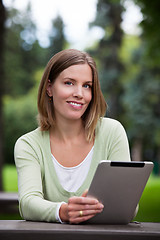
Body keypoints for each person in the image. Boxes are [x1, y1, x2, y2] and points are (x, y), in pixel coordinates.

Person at [14, 49, 131, 224]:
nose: (79, 93)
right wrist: (64, 211)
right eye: (69, 83)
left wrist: (88, 209)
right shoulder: (29, 145)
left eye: (87, 86)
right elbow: (28, 203)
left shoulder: (112, 132)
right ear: (49, 88)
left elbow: (129, 205)